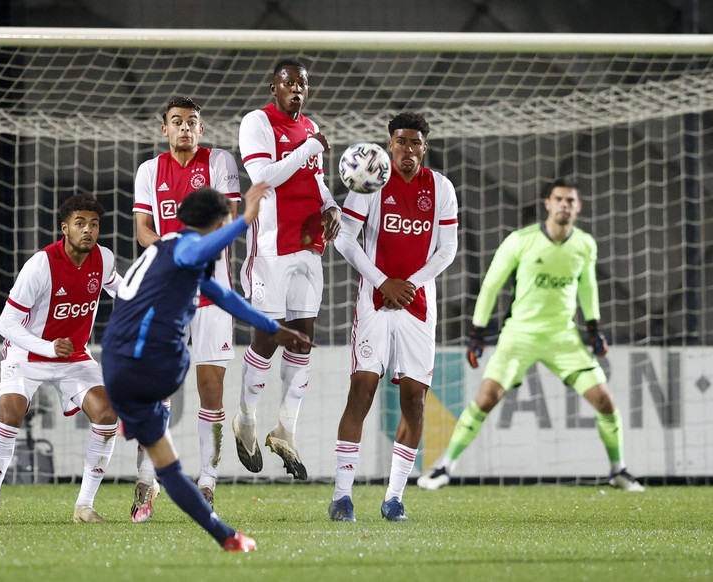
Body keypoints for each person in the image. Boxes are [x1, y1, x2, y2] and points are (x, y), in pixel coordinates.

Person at [101, 185, 314, 552]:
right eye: (226, 223)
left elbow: (224, 296)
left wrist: (273, 329)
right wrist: (245, 219)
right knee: (185, 357)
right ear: (219, 224)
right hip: (144, 365)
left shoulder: (168, 249)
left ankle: (227, 537)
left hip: (119, 367)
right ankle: (139, 408)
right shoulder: (185, 248)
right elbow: (199, 249)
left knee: (168, 468)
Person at [417, 178, 645, 493]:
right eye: (559, 199)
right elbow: (491, 285)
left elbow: (588, 288)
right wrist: (476, 333)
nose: (565, 205)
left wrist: (594, 330)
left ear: (578, 207)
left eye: (571, 200)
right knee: (485, 399)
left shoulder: (585, 244)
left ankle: (619, 470)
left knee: (605, 401)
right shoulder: (520, 241)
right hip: (519, 336)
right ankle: (444, 467)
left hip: (563, 338)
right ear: (547, 204)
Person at [327, 113, 459, 523]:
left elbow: (447, 249)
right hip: (374, 302)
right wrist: (384, 283)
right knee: (362, 391)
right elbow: (344, 240)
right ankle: (342, 497)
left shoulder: (441, 188)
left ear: (425, 147)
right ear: (389, 145)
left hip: (418, 306)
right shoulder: (369, 179)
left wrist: (411, 285)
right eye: (400, 142)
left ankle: (395, 497)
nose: (407, 149)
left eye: (415, 142)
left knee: (415, 401)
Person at [0, 194, 122, 525]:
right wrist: (47, 346)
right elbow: (6, 324)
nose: (88, 231)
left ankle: (84, 506)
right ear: (64, 228)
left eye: (94, 224)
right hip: (28, 353)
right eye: (80, 223)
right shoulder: (41, 265)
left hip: (74, 357)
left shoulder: (104, 259)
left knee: (107, 414)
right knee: (10, 412)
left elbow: (120, 290)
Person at [130, 97, 241, 519]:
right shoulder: (149, 171)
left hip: (212, 291)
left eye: (192, 122)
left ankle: (207, 482)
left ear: (201, 128)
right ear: (164, 129)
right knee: (156, 387)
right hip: (165, 293)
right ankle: (147, 480)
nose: (184, 128)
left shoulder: (219, 162)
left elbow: (230, 220)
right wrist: (171, 253)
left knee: (211, 388)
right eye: (177, 122)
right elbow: (142, 229)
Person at [234, 57, 341, 480]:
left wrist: (331, 206)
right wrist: (310, 148)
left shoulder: (310, 128)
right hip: (270, 249)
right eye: (288, 82)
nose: (296, 89)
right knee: (269, 335)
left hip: (309, 246)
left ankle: (286, 429)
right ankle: (245, 419)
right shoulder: (257, 122)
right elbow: (264, 178)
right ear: (273, 86)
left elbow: (315, 180)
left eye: (302, 83)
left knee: (304, 341)